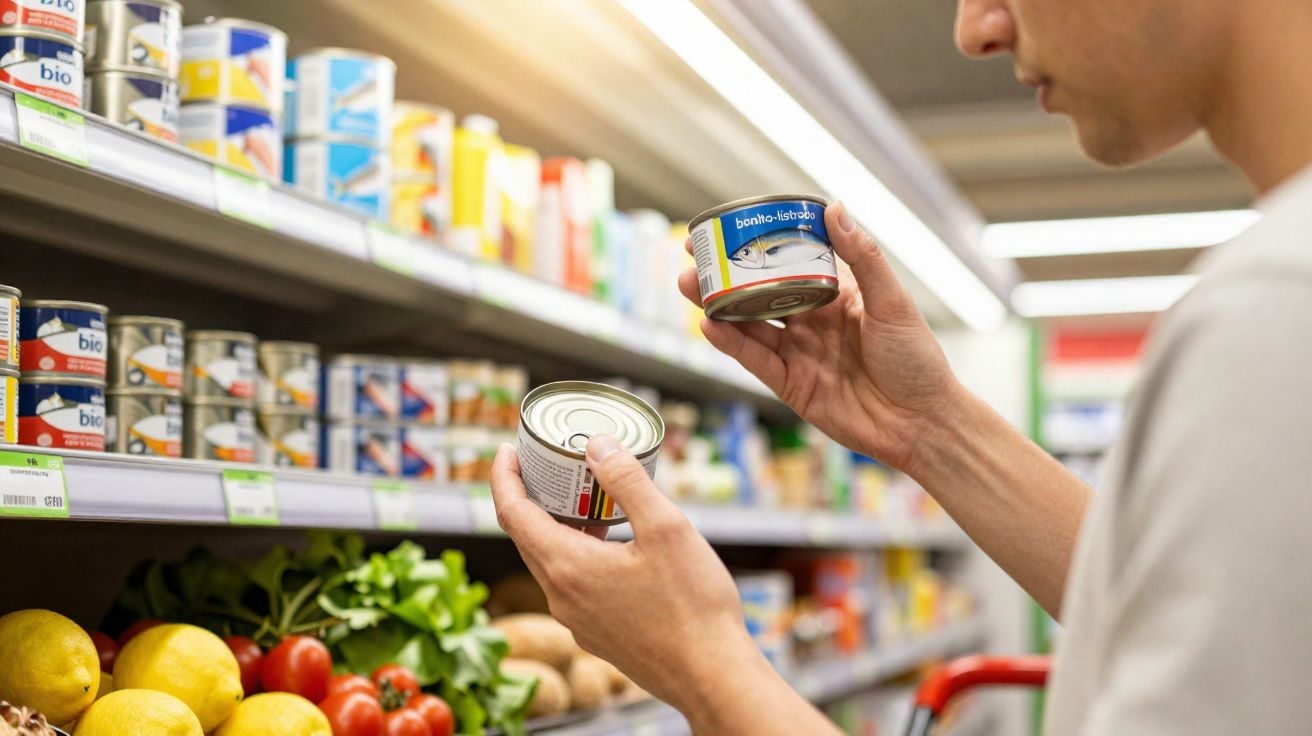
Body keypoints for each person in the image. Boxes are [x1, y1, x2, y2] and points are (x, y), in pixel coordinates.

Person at [491, 0, 1312, 732]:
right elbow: (1154, 602)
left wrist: (702, 663)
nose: (973, 29)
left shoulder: (1278, 306)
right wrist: (929, 427)